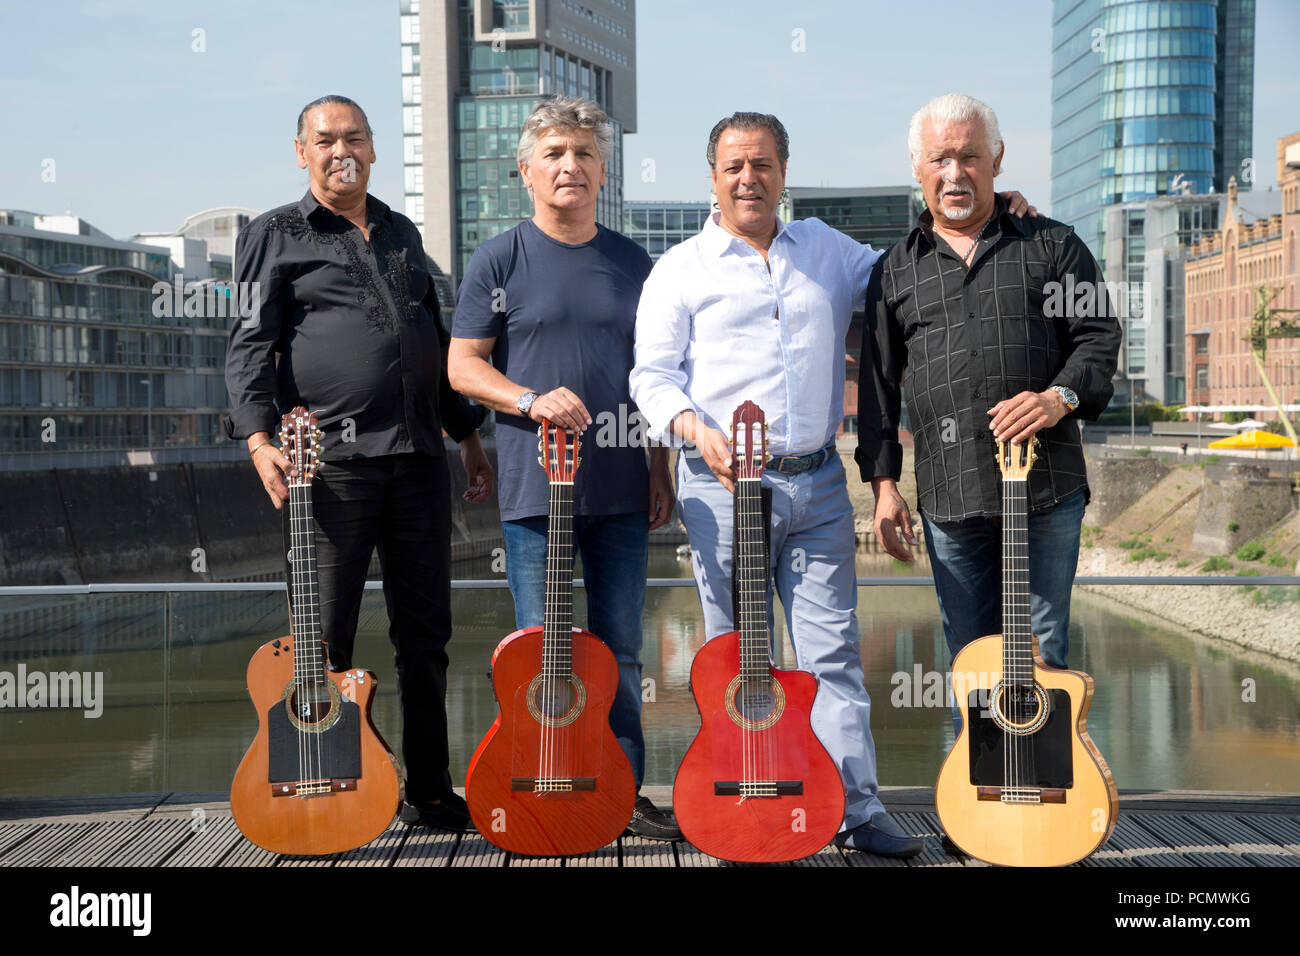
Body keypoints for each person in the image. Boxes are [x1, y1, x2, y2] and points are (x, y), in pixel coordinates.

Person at [628, 112, 1036, 857]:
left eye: (763, 165)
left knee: (833, 658)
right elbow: (650, 377)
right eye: (734, 167)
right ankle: (741, 803)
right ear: (712, 176)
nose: (748, 178)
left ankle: (856, 813)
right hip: (722, 489)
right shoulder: (678, 268)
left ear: (784, 172)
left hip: (816, 487)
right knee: (730, 657)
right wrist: (693, 429)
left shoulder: (827, 250)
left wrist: (984, 207)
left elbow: (910, 270)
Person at [225, 95, 494, 831]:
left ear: (374, 148)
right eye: (325, 139)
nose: (341, 149)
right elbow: (249, 342)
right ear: (300, 151)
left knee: (425, 637)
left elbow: (434, 345)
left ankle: (430, 790)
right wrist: (257, 440)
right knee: (322, 642)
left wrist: (467, 436)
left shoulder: (403, 232)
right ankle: (323, 790)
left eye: (355, 137)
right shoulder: (272, 234)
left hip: (416, 461)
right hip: (325, 469)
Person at [447, 96, 679, 840]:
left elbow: (655, 372)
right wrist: (530, 399)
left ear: (603, 171)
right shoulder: (498, 258)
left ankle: (626, 792)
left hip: (619, 488)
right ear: (526, 170)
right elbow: (460, 367)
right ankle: (545, 786)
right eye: (553, 154)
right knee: (539, 651)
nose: (569, 166)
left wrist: (661, 467)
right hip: (530, 491)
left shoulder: (633, 262)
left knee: (621, 648)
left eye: (583, 155)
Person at [857, 93, 1121, 731]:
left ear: (996, 160)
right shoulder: (893, 272)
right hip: (950, 498)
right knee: (969, 666)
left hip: (1047, 492)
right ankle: (973, 824)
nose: (955, 173)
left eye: (969, 157)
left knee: (1043, 662)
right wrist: (885, 489)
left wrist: (1057, 398)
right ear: (918, 170)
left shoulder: (1054, 244)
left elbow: (1099, 338)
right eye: (941, 159)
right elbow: (876, 390)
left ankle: (1043, 814)